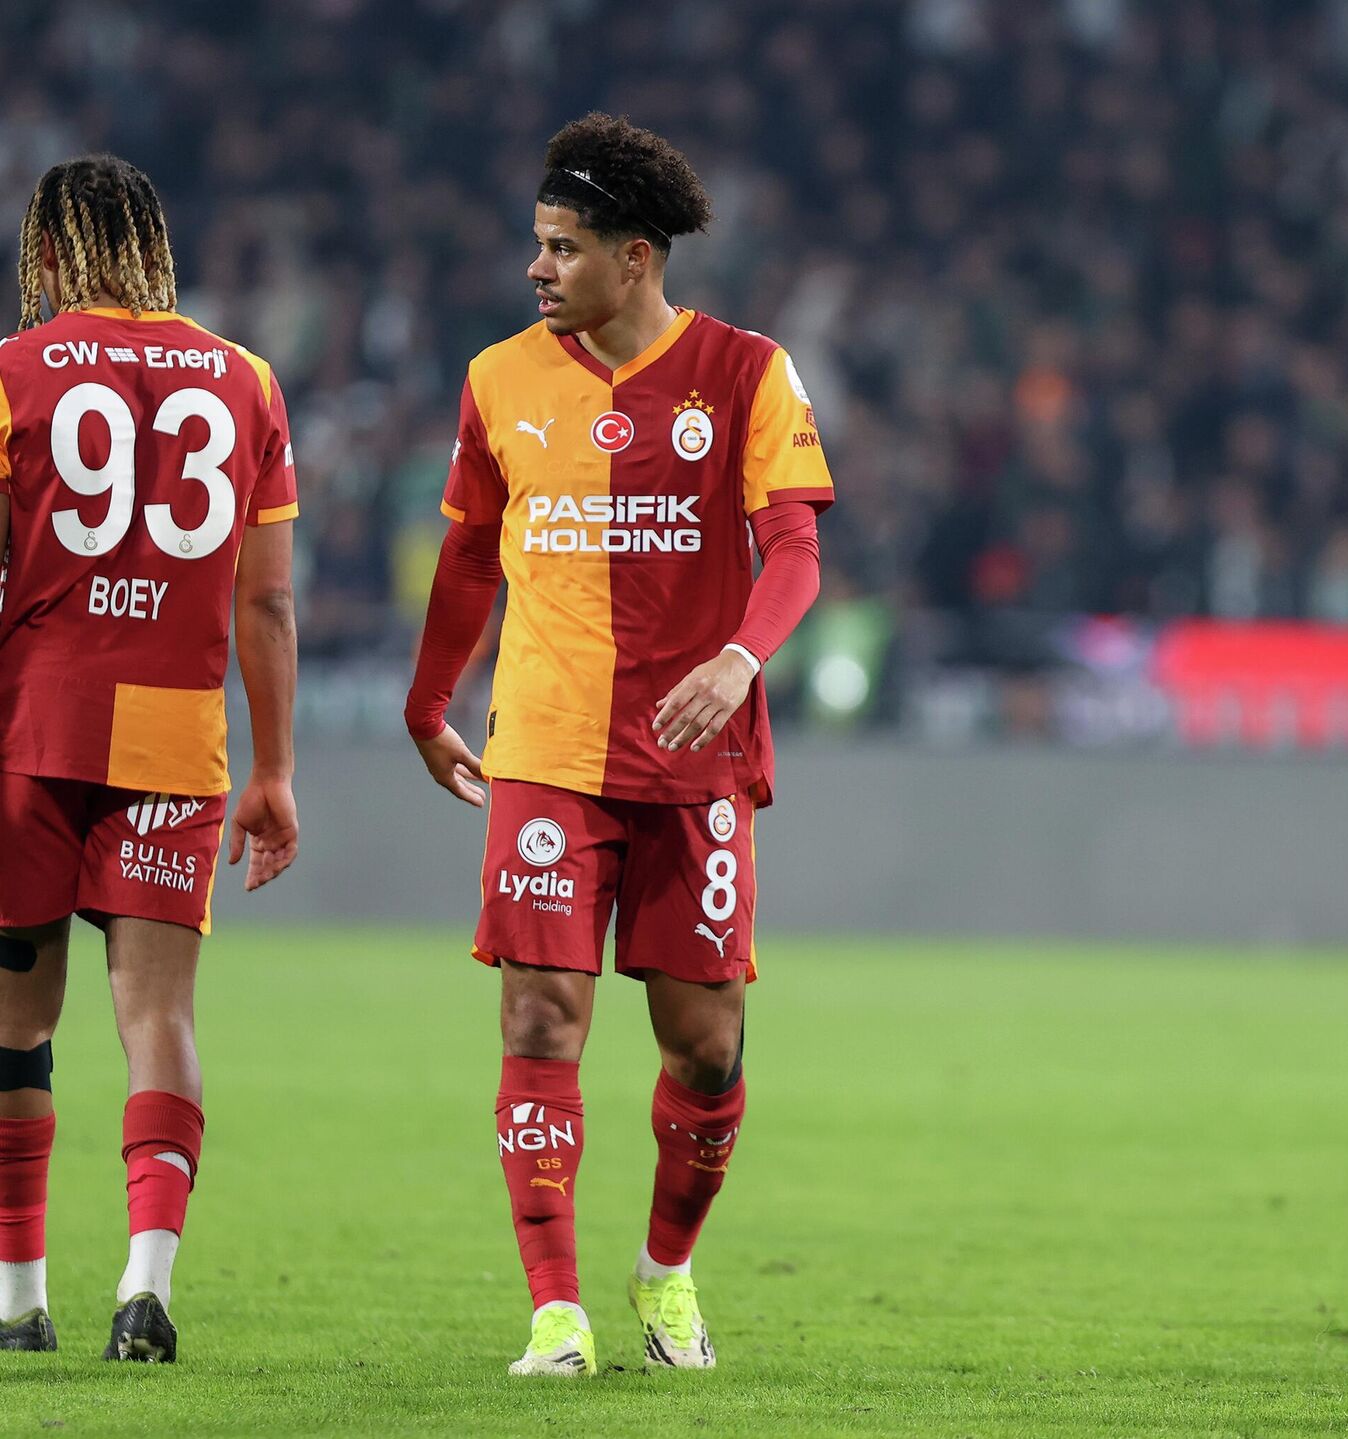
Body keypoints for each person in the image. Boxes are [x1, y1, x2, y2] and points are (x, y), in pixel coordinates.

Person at [404, 113, 832, 1378]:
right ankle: (556, 1312)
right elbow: (469, 556)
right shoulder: (498, 379)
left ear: (635, 257)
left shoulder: (749, 373)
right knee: (541, 1018)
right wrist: (427, 702)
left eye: (563, 247)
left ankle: (665, 1270)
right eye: (537, 243)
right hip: (545, 745)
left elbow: (795, 549)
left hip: (694, 755)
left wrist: (740, 656)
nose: (537, 268)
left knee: (705, 1047)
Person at [0, 154, 301, 1361]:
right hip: (176, 735)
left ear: (51, 251)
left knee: (17, 1019)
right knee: (159, 1013)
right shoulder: (246, 379)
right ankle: (145, 1284)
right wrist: (274, 769)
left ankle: (19, 1297)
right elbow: (265, 603)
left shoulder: (13, 372)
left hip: (34, 729)